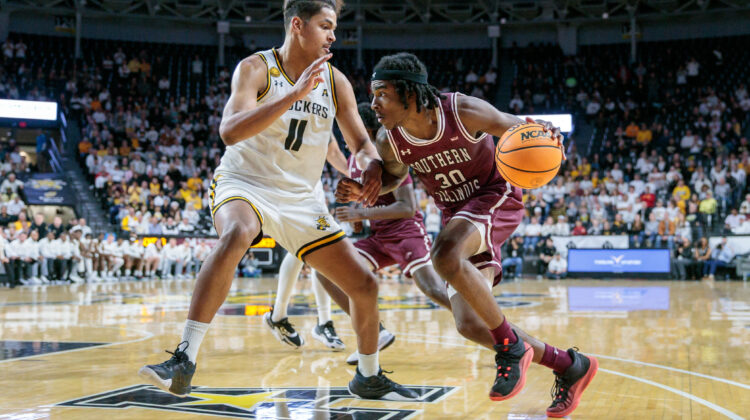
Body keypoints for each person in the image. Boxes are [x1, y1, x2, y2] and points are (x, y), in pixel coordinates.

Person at [139, 0, 417, 402]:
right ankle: (183, 359)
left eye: (334, 27)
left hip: (300, 198)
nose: (333, 35)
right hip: (245, 182)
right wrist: (293, 94)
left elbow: (359, 142)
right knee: (238, 232)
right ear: (298, 25)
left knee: (364, 285)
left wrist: (371, 165)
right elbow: (229, 131)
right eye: (325, 26)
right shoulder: (255, 68)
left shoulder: (335, 81)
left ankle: (368, 376)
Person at [336, 52, 597, 417]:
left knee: (444, 254)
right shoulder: (388, 140)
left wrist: (545, 132)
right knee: (471, 323)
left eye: (382, 94)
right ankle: (569, 365)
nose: (375, 103)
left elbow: (516, 127)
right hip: (457, 214)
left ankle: (511, 347)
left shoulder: (462, 111)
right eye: (373, 94)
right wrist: (370, 185)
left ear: (409, 92)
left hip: (495, 196)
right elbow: (395, 176)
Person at [318, 103, 494, 365]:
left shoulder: (386, 155)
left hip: (405, 231)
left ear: (365, 130)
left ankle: (493, 330)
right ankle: (377, 333)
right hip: (378, 237)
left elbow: (407, 207)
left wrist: (360, 213)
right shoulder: (354, 161)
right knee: (327, 271)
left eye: (348, 129)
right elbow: (370, 201)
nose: (345, 134)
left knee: (432, 288)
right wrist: (359, 217)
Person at [264, 136, 351, 352]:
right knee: (308, 247)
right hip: (282, 183)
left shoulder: (322, 115)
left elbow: (332, 151)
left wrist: (356, 175)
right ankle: (306, 320)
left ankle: (287, 317)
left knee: (316, 247)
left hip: (311, 185)